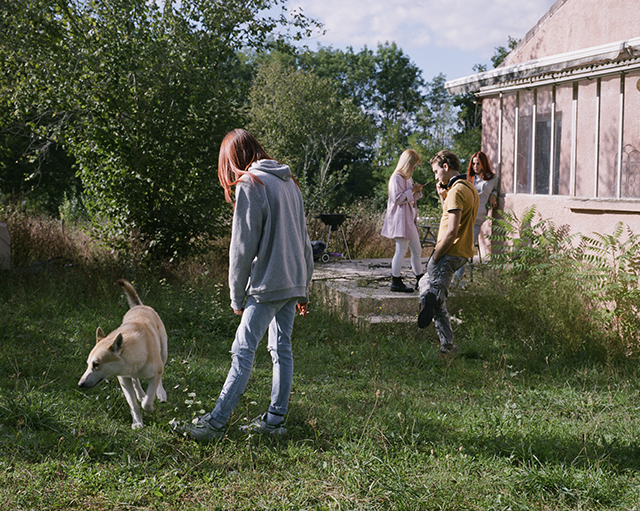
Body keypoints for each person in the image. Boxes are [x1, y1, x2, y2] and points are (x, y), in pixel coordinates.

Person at [171, 129, 314, 441]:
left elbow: (241, 248)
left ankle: (215, 423)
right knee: (281, 348)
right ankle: (275, 421)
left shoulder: (252, 183)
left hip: (268, 285)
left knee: (243, 349)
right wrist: (303, 287)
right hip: (292, 282)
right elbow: (305, 243)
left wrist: (236, 296)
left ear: (233, 159)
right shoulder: (290, 183)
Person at [418, 150, 479, 356]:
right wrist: (442, 197)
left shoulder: (456, 191)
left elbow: (452, 230)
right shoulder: (469, 187)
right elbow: (453, 216)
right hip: (463, 252)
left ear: (446, 167)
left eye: (436, 171)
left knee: (435, 301)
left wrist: (435, 256)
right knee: (424, 283)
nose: (436, 177)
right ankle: (431, 296)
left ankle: (447, 346)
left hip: (448, 252)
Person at [380, 149, 425, 292]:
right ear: (408, 164)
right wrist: (412, 191)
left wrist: (417, 191)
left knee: (417, 250)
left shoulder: (407, 178)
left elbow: (409, 199)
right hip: (400, 220)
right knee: (401, 250)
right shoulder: (396, 178)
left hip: (409, 219)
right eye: (414, 165)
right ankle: (396, 281)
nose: (415, 168)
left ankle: (420, 279)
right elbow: (397, 199)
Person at [454, 150, 498, 282]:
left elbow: (495, 188)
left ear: (483, 164)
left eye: (478, 164)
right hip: (463, 217)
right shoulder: (468, 178)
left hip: (477, 219)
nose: (475, 167)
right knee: (457, 249)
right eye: (473, 164)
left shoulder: (493, 179)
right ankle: (455, 279)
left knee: (465, 250)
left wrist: (493, 194)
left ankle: (457, 280)